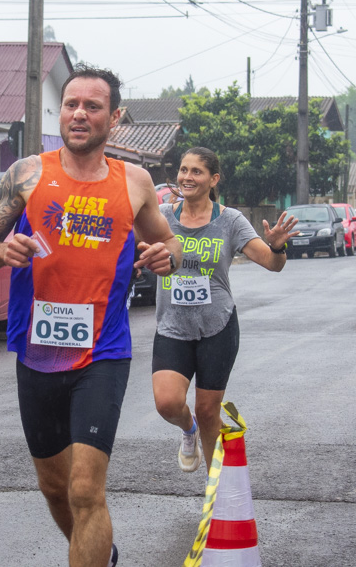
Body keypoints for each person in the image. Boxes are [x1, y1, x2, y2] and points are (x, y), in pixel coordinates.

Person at [0, 65, 182, 567]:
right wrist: (0, 253)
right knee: (54, 487)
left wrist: (165, 256)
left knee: (86, 489)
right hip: (36, 351)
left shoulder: (135, 182)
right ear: (59, 111)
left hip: (102, 353)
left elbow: (168, 241)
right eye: (70, 104)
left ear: (115, 117)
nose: (79, 114)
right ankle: (98, 553)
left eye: (92, 106)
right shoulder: (27, 174)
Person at [151, 148, 299, 473]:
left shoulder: (230, 220)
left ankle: (217, 493)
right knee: (167, 403)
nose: (187, 177)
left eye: (197, 172)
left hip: (217, 327)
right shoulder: (161, 215)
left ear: (213, 179)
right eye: (183, 170)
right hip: (172, 326)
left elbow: (272, 264)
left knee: (208, 410)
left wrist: (277, 245)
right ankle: (187, 431)